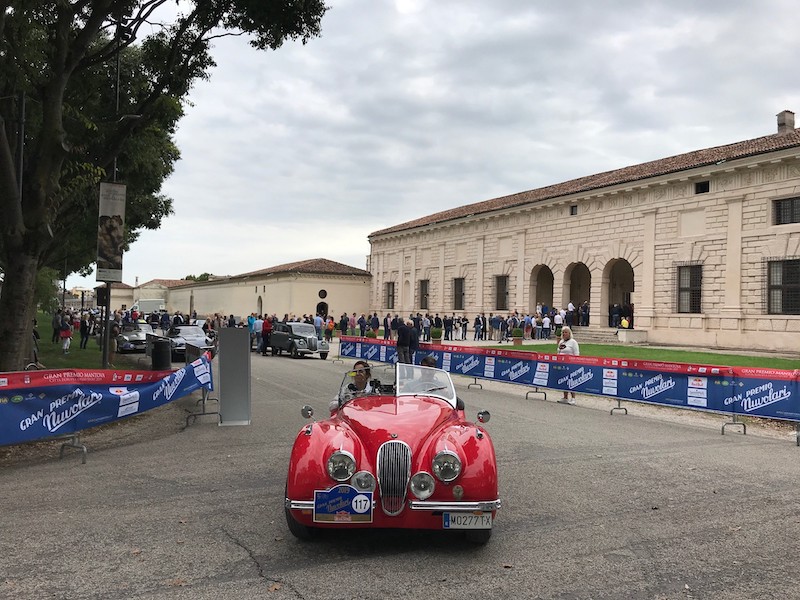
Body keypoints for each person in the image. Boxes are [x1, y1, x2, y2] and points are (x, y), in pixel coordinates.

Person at [557, 326, 580, 404]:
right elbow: (558, 352)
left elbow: (576, 354)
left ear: (569, 333)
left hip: (570, 364)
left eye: (566, 332)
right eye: (563, 332)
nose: (564, 334)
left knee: (571, 380)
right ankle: (565, 397)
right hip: (562, 364)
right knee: (564, 380)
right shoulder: (561, 342)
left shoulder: (573, 342)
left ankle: (573, 398)